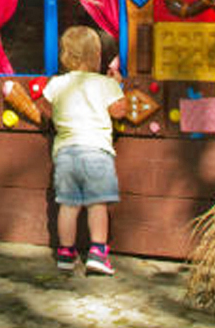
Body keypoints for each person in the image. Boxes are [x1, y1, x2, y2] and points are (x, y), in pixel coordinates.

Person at [42, 25, 126, 275]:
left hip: (66, 152)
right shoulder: (104, 84)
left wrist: (59, 118)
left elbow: (44, 108)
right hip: (96, 151)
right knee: (97, 204)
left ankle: (65, 254)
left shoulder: (57, 83)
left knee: (68, 205)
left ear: (66, 56)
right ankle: (98, 253)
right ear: (96, 56)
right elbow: (119, 111)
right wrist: (118, 85)